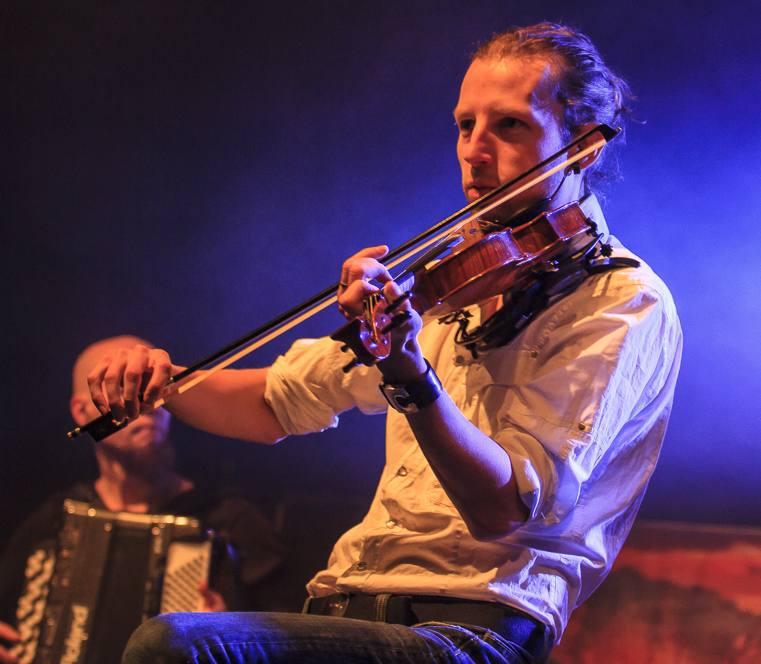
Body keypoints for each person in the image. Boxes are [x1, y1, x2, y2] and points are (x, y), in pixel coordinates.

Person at [87, 22, 682, 664]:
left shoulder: (620, 300)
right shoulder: (449, 281)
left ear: (583, 147)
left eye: (509, 126)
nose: (474, 151)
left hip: (470, 631)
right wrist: (167, 383)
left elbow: (504, 508)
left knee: (172, 648)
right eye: (464, 125)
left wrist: (408, 371)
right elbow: (273, 403)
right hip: (349, 604)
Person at [0, 336, 299, 664]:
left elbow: (292, 637)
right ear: (80, 410)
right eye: (122, 389)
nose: (146, 406)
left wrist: (232, 633)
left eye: (154, 390)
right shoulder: (55, 519)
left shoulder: (228, 518)